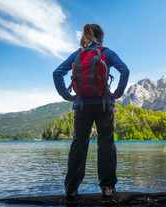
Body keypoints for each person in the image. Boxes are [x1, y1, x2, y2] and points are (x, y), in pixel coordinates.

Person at [53, 23, 129, 198]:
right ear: (101, 37)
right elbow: (125, 70)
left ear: (86, 36)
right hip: (104, 105)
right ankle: (107, 187)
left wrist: (66, 95)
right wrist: (116, 93)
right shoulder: (107, 53)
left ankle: (71, 188)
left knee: (79, 144)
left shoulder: (78, 54)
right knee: (106, 144)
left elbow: (57, 73)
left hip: (81, 105)